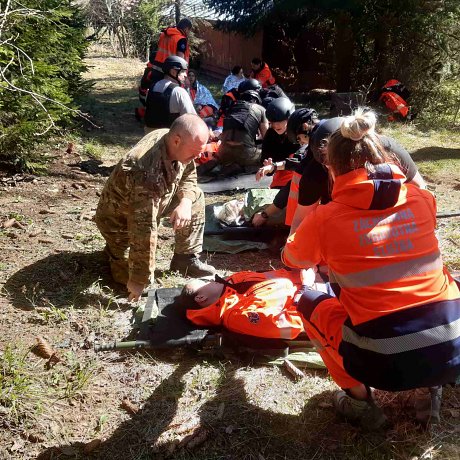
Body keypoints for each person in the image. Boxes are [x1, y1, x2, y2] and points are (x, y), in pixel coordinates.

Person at [282, 109, 460, 428]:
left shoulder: (325, 219)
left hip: (382, 364)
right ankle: (430, 386)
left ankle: (361, 403)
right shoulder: (421, 198)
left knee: (307, 302)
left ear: (331, 169)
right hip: (452, 349)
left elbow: (291, 258)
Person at [95, 114, 216, 302]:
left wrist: (184, 202)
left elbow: (189, 175)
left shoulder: (174, 140)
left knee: (195, 197)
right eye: (195, 151)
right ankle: (114, 251)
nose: (199, 156)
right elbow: (142, 228)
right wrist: (139, 278)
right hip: (120, 224)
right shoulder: (144, 171)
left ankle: (185, 258)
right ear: (177, 140)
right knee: (126, 278)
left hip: (151, 204)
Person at [289, 115, 426, 232]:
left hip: (392, 211)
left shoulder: (388, 150)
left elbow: (421, 191)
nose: (332, 171)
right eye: (326, 165)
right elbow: (301, 219)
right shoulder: (316, 172)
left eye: (335, 165)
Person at [181, 268, 317, 339]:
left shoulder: (235, 294)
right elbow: (289, 325)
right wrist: (306, 288)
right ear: (201, 298)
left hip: (314, 282)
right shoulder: (237, 316)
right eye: (205, 282)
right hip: (318, 301)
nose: (210, 280)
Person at [252, 108, 318, 227]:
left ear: (305, 127)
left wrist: (265, 214)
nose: (301, 142)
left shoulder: (318, 144)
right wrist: (272, 167)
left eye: (299, 139)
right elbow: (300, 162)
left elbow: (294, 182)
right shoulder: (319, 137)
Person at [215, 89, 269, 171]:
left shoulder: (231, 108)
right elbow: (267, 137)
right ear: (256, 100)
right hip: (246, 155)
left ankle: (233, 164)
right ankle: (243, 166)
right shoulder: (261, 109)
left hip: (223, 154)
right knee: (269, 153)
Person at [144, 56, 196, 133]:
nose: (185, 75)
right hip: (169, 140)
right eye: (182, 71)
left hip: (149, 137)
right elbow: (192, 121)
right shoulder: (179, 92)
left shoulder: (152, 87)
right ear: (173, 72)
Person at [259, 97, 297, 189]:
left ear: (289, 119)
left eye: (279, 121)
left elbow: (302, 160)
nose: (276, 126)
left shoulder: (298, 131)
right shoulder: (271, 134)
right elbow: (266, 159)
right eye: (272, 122)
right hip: (281, 173)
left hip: (299, 172)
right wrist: (268, 167)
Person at [148, 18, 193, 87]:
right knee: (168, 95)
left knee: (155, 92)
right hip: (170, 73)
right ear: (186, 29)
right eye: (189, 31)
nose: (189, 33)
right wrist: (184, 78)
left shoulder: (164, 35)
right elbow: (180, 61)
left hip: (156, 69)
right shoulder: (181, 39)